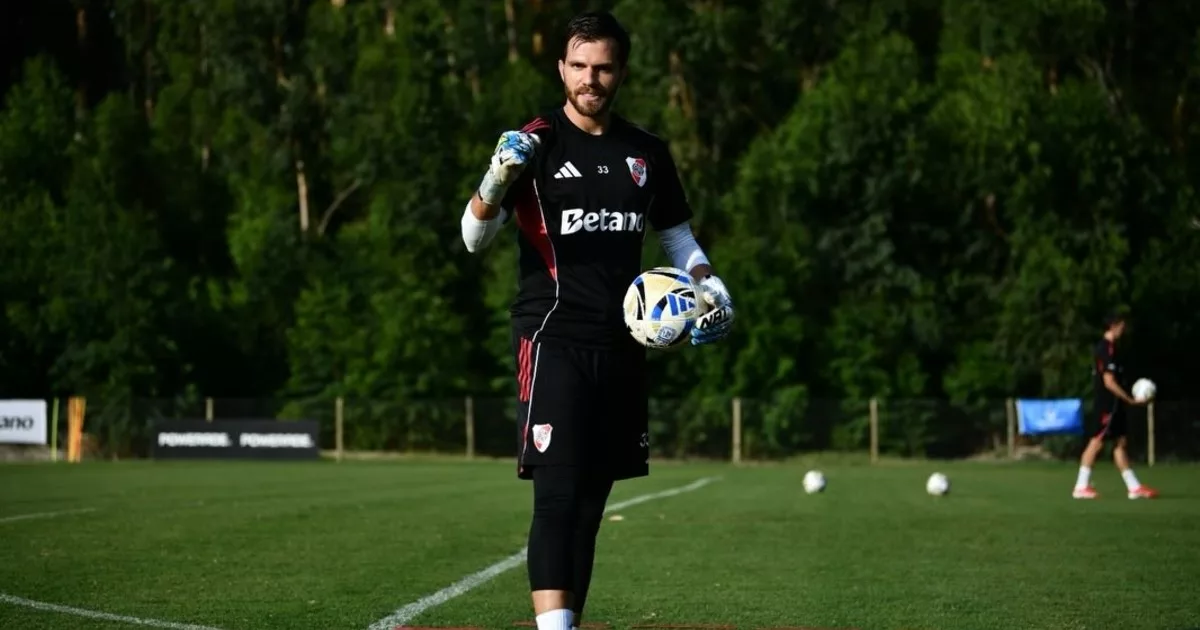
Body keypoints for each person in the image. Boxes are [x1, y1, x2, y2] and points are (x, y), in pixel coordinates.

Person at [458, 10, 734, 630]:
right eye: (579, 66)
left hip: (625, 344)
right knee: (557, 495)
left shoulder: (648, 152)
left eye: (603, 68)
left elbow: (677, 237)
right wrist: (496, 176)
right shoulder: (533, 143)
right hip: (552, 337)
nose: (591, 79)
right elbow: (474, 238)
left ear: (621, 72)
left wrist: (712, 288)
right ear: (561, 68)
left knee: (588, 504)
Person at [1072, 314, 1157, 499]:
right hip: (1107, 404)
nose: (1123, 330)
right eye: (1121, 326)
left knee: (1120, 443)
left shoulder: (1113, 348)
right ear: (1113, 326)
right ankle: (1081, 486)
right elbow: (1109, 381)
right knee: (1097, 441)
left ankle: (1134, 488)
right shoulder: (1106, 348)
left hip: (1115, 404)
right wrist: (1129, 399)